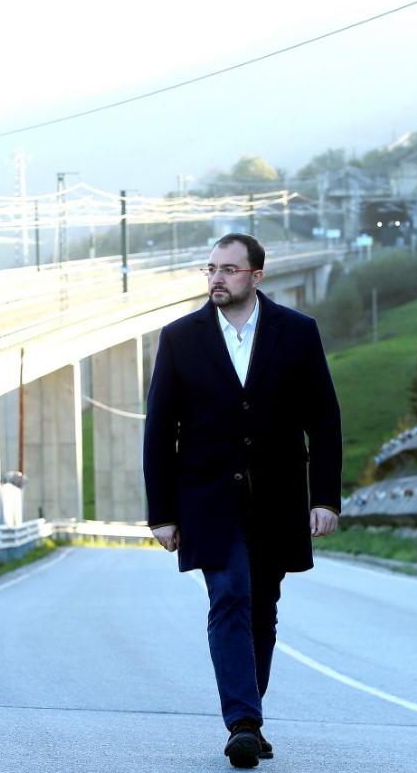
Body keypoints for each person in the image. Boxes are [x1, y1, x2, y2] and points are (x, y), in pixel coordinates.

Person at [144, 233, 342, 768]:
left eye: (229, 270)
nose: (217, 278)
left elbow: (323, 419)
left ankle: (249, 713)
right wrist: (161, 513)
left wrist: (325, 497)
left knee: (263, 608)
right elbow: (160, 430)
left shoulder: (297, 333)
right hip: (207, 498)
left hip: (277, 496)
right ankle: (244, 723)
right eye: (211, 268)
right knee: (229, 594)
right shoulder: (180, 338)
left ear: (256, 276)